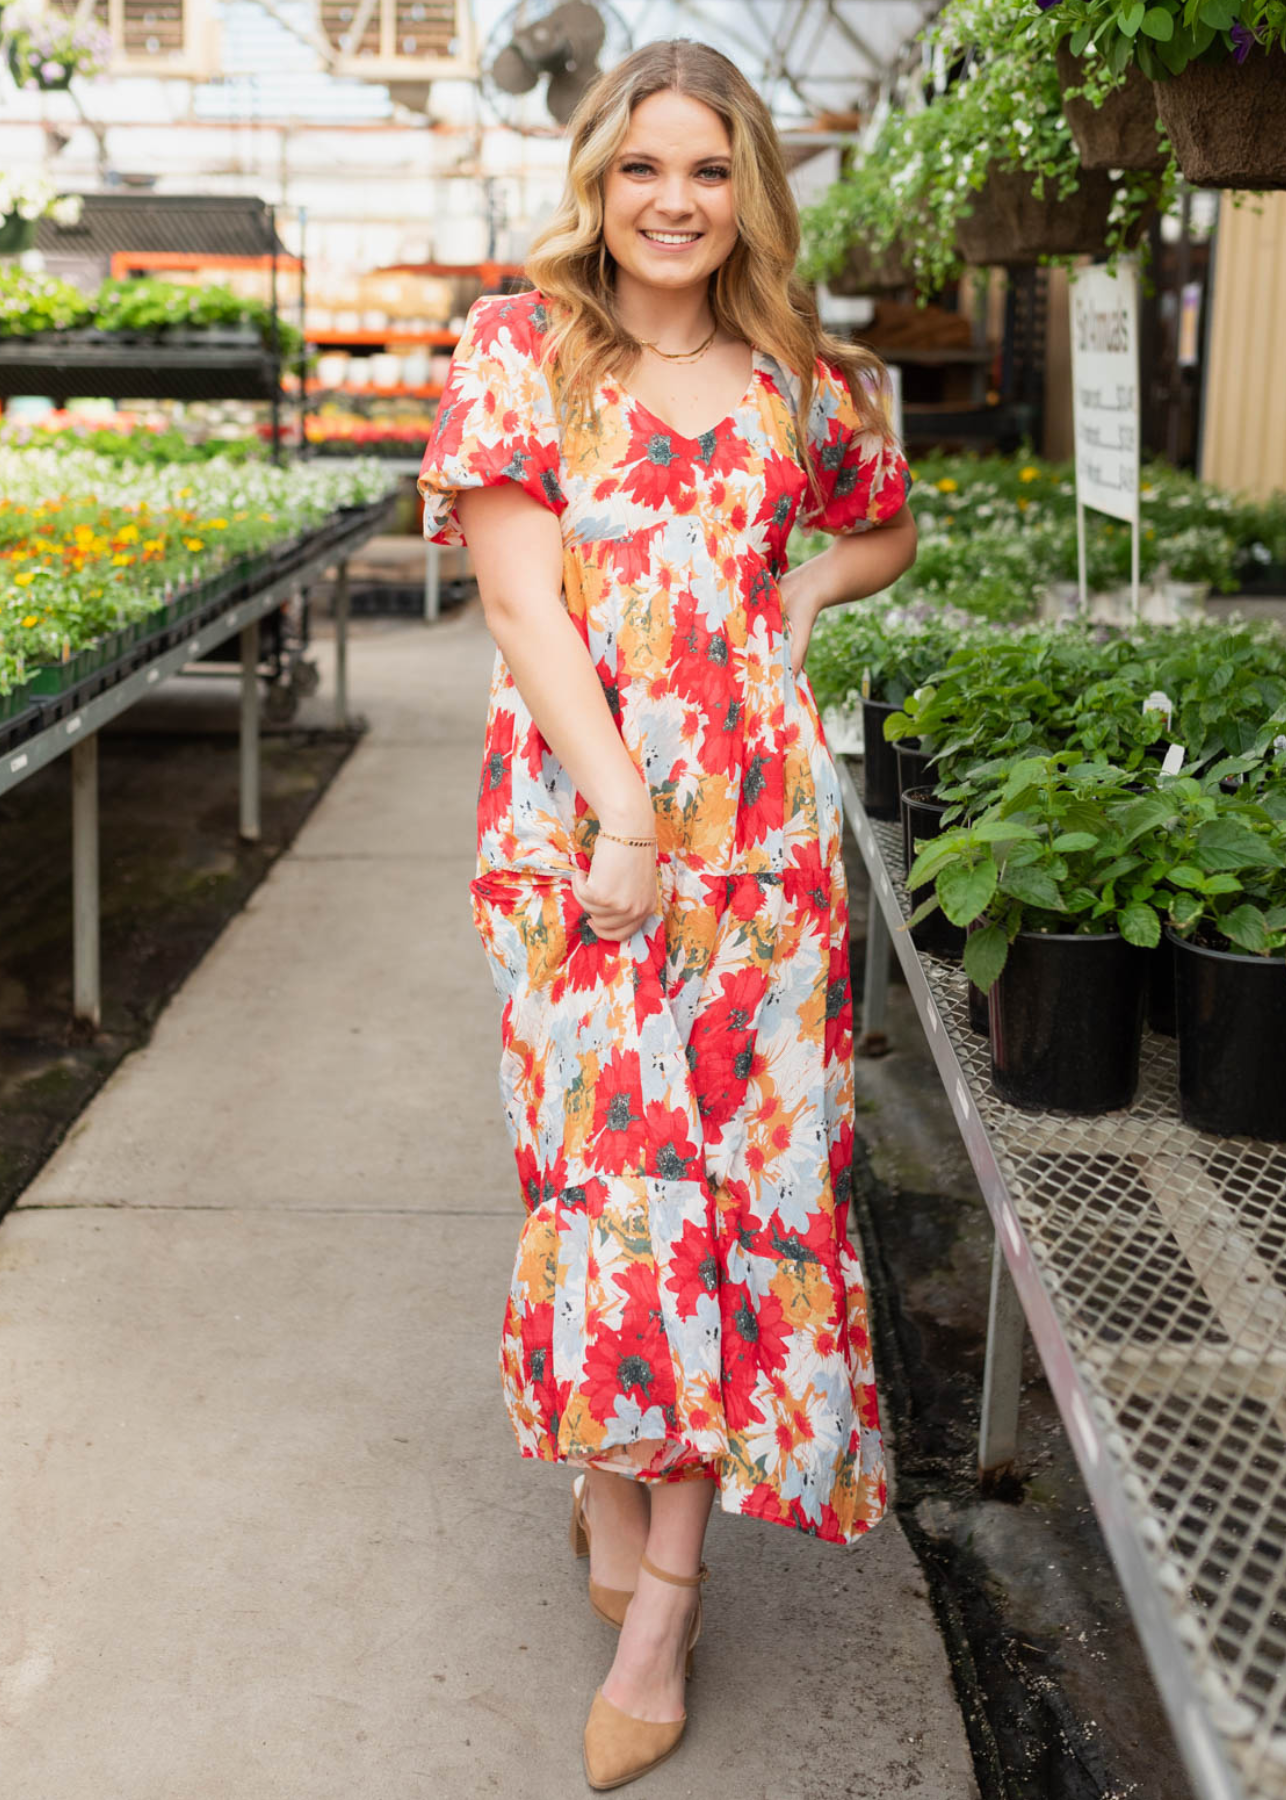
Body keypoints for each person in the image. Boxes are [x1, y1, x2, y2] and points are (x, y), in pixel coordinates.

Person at [417, 36, 917, 1790]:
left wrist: (794, 582)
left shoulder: (810, 377)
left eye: (708, 170)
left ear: (750, 190)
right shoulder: (519, 350)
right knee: (604, 1173)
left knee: (742, 1193)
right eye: (643, 168)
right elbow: (515, 600)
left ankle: (665, 1606)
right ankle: (610, 1471)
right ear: (597, 179)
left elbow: (883, 531)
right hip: (577, 832)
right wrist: (624, 808)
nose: (674, 202)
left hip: (767, 847)